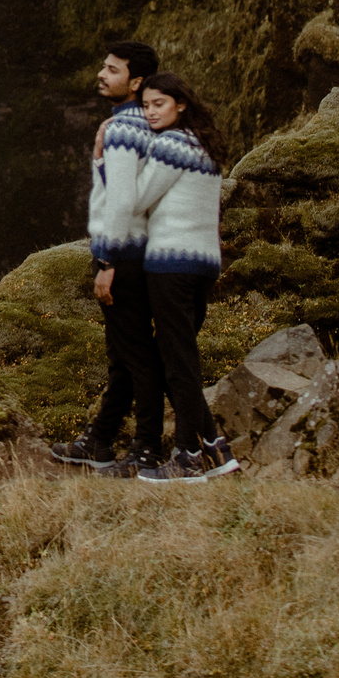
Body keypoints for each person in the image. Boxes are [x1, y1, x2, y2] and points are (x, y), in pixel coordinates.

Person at [53, 40, 163, 477]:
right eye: (103, 66)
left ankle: (147, 449)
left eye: (112, 70)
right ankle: (99, 439)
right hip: (143, 253)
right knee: (123, 354)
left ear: (135, 82)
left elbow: (120, 203)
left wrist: (107, 263)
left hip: (126, 257)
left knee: (136, 356)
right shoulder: (148, 125)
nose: (101, 74)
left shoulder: (121, 129)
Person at [126, 70, 237, 482]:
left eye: (159, 104)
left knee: (177, 363)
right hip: (203, 264)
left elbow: (137, 200)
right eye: (146, 106)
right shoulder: (202, 143)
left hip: (171, 264)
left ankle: (188, 457)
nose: (151, 112)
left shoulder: (171, 144)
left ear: (181, 104)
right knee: (177, 356)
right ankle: (214, 447)